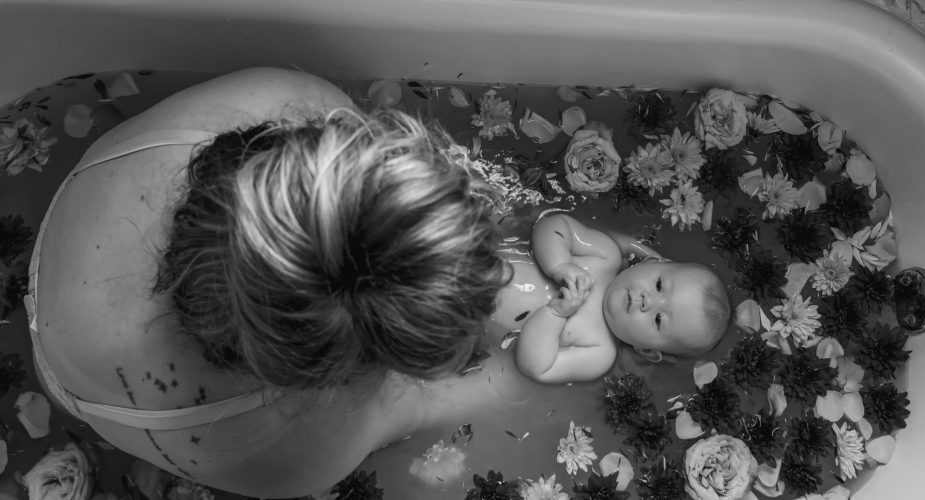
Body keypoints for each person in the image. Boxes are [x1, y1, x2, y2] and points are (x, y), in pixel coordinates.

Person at [25, 67, 517, 498]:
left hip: (62, 289)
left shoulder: (277, 97)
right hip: (118, 401)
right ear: (334, 375)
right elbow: (488, 391)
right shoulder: (300, 453)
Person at [492, 213, 731, 383]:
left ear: (647, 350)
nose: (647, 301)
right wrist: (559, 265)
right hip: (482, 257)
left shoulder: (599, 353)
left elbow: (534, 367)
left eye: (658, 319)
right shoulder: (605, 255)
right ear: (651, 262)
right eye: (659, 284)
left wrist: (554, 314)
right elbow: (552, 225)